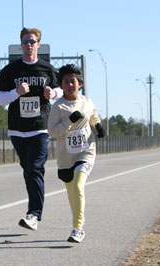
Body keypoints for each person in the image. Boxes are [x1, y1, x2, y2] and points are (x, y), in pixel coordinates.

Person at [0, 28, 62, 230]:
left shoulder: (48, 69)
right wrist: (16, 92)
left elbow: (62, 90)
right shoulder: (11, 70)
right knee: (28, 170)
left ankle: (33, 214)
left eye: (32, 41)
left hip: (40, 128)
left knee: (34, 169)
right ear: (21, 44)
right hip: (17, 129)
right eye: (25, 42)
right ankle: (34, 209)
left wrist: (53, 93)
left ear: (38, 44)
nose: (29, 45)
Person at [48, 64, 105, 243]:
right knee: (72, 194)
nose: (70, 85)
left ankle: (77, 228)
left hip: (86, 151)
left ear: (79, 83)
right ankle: (78, 221)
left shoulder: (87, 101)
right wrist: (69, 122)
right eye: (66, 82)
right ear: (61, 85)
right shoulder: (58, 107)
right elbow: (52, 132)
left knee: (79, 186)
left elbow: (93, 115)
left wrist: (98, 125)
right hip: (66, 157)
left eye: (73, 81)